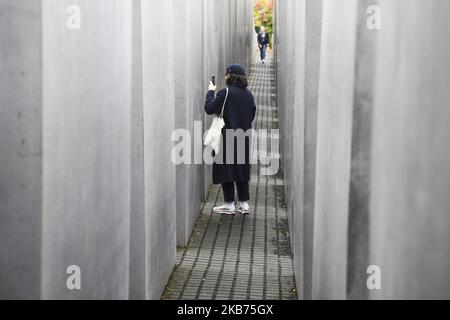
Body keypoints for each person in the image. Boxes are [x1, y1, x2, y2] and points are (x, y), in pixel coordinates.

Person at [205, 64, 257, 216]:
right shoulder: (248, 94)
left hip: (226, 136)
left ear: (230, 76)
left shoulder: (225, 92)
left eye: (226, 74)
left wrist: (210, 92)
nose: (225, 76)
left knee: (226, 169)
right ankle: (244, 204)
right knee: (241, 168)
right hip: (243, 135)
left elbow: (210, 108)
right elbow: (252, 114)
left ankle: (229, 205)